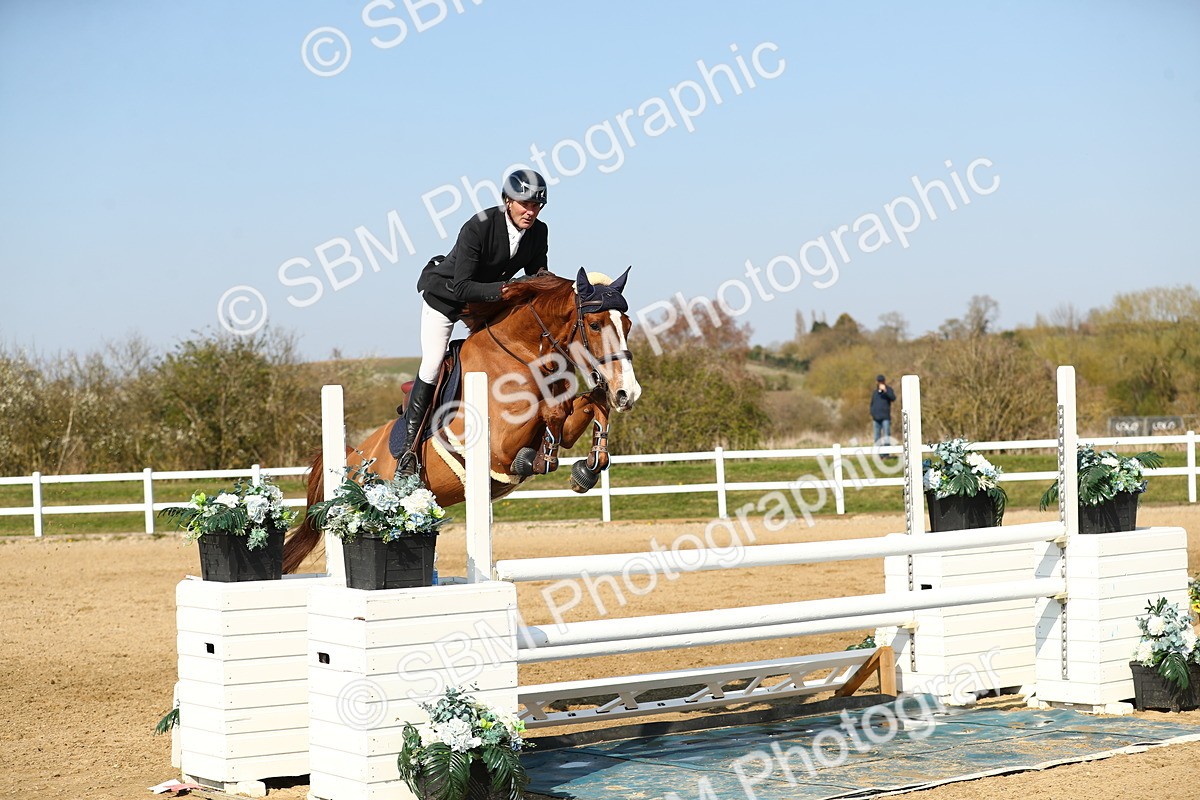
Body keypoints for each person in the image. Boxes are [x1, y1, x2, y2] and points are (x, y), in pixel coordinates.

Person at [395, 169, 551, 477]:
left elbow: (538, 276)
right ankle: (408, 450)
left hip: (485, 304)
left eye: (536, 206)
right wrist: (506, 289)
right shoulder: (478, 226)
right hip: (447, 297)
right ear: (508, 201)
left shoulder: (539, 232)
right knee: (433, 363)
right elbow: (463, 286)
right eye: (525, 204)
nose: (530, 212)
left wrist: (561, 288)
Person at [870, 374, 896, 446]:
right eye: (879, 381)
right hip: (876, 418)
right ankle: (878, 451)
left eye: (881, 381)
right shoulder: (875, 392)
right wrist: (872, 413)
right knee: (877, 437)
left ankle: (887, 451)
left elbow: (893, 398)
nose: (880, 383)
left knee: (886, 436)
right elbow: (872, 403)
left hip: (885, 418)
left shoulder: (888, 390)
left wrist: (885, 391)